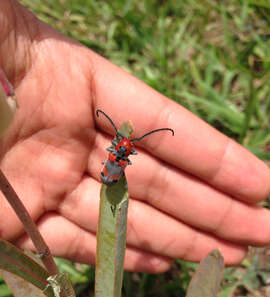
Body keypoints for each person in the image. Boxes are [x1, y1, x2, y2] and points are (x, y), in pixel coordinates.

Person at [1, 0, 270, 273]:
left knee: (116, 166)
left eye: (124, 147)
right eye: (124, 146)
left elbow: (119, 155)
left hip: (111, 172)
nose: (124, 147)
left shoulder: (119, 151)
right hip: (110, 171)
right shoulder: (121, 152)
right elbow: (120, 155)